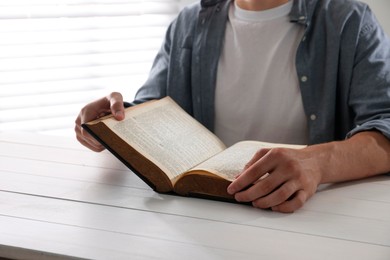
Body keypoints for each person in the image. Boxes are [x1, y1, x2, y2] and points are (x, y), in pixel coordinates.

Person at [75, 0, 390, 213]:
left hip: (302, 217)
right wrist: (112, 122)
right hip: (199, 216)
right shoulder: (188, 23)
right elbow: (154, 109)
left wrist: (316, 163)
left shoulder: (348, 20)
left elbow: (385, 125)